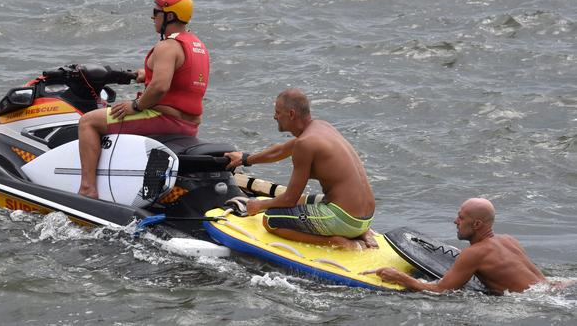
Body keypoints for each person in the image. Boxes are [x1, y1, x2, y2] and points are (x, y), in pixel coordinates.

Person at [78, 0, 209, 199]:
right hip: (189, 124)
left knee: (88, 122)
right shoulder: (196, 45)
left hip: (164, 119)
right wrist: (144, 73)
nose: (153, 17)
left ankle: (87, 190)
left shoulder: (167, 46)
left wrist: (135, 105)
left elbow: (159, 87)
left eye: (156, 12)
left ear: (169, 16)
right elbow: (180, 78)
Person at [225, 88, 377, 249]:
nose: (275, 116)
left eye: (278, 112)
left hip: (344, 219)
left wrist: (259, 206)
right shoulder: (320, 127)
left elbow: (289, 199)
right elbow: (281, 150)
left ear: (291, 114)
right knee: (302, 201)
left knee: (270, 220)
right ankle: (361, 232)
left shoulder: (305, 144)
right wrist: (244, 159)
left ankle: (338, 242)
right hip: (365, 217)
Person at [369, 198, 547, 294]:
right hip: (551, 289)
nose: (455, 221)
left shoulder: (474, 253)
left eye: (461, 218)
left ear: (477, 225)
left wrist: (401, 277)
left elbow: (440, 290)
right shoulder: (508, 240)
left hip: (534, 300)